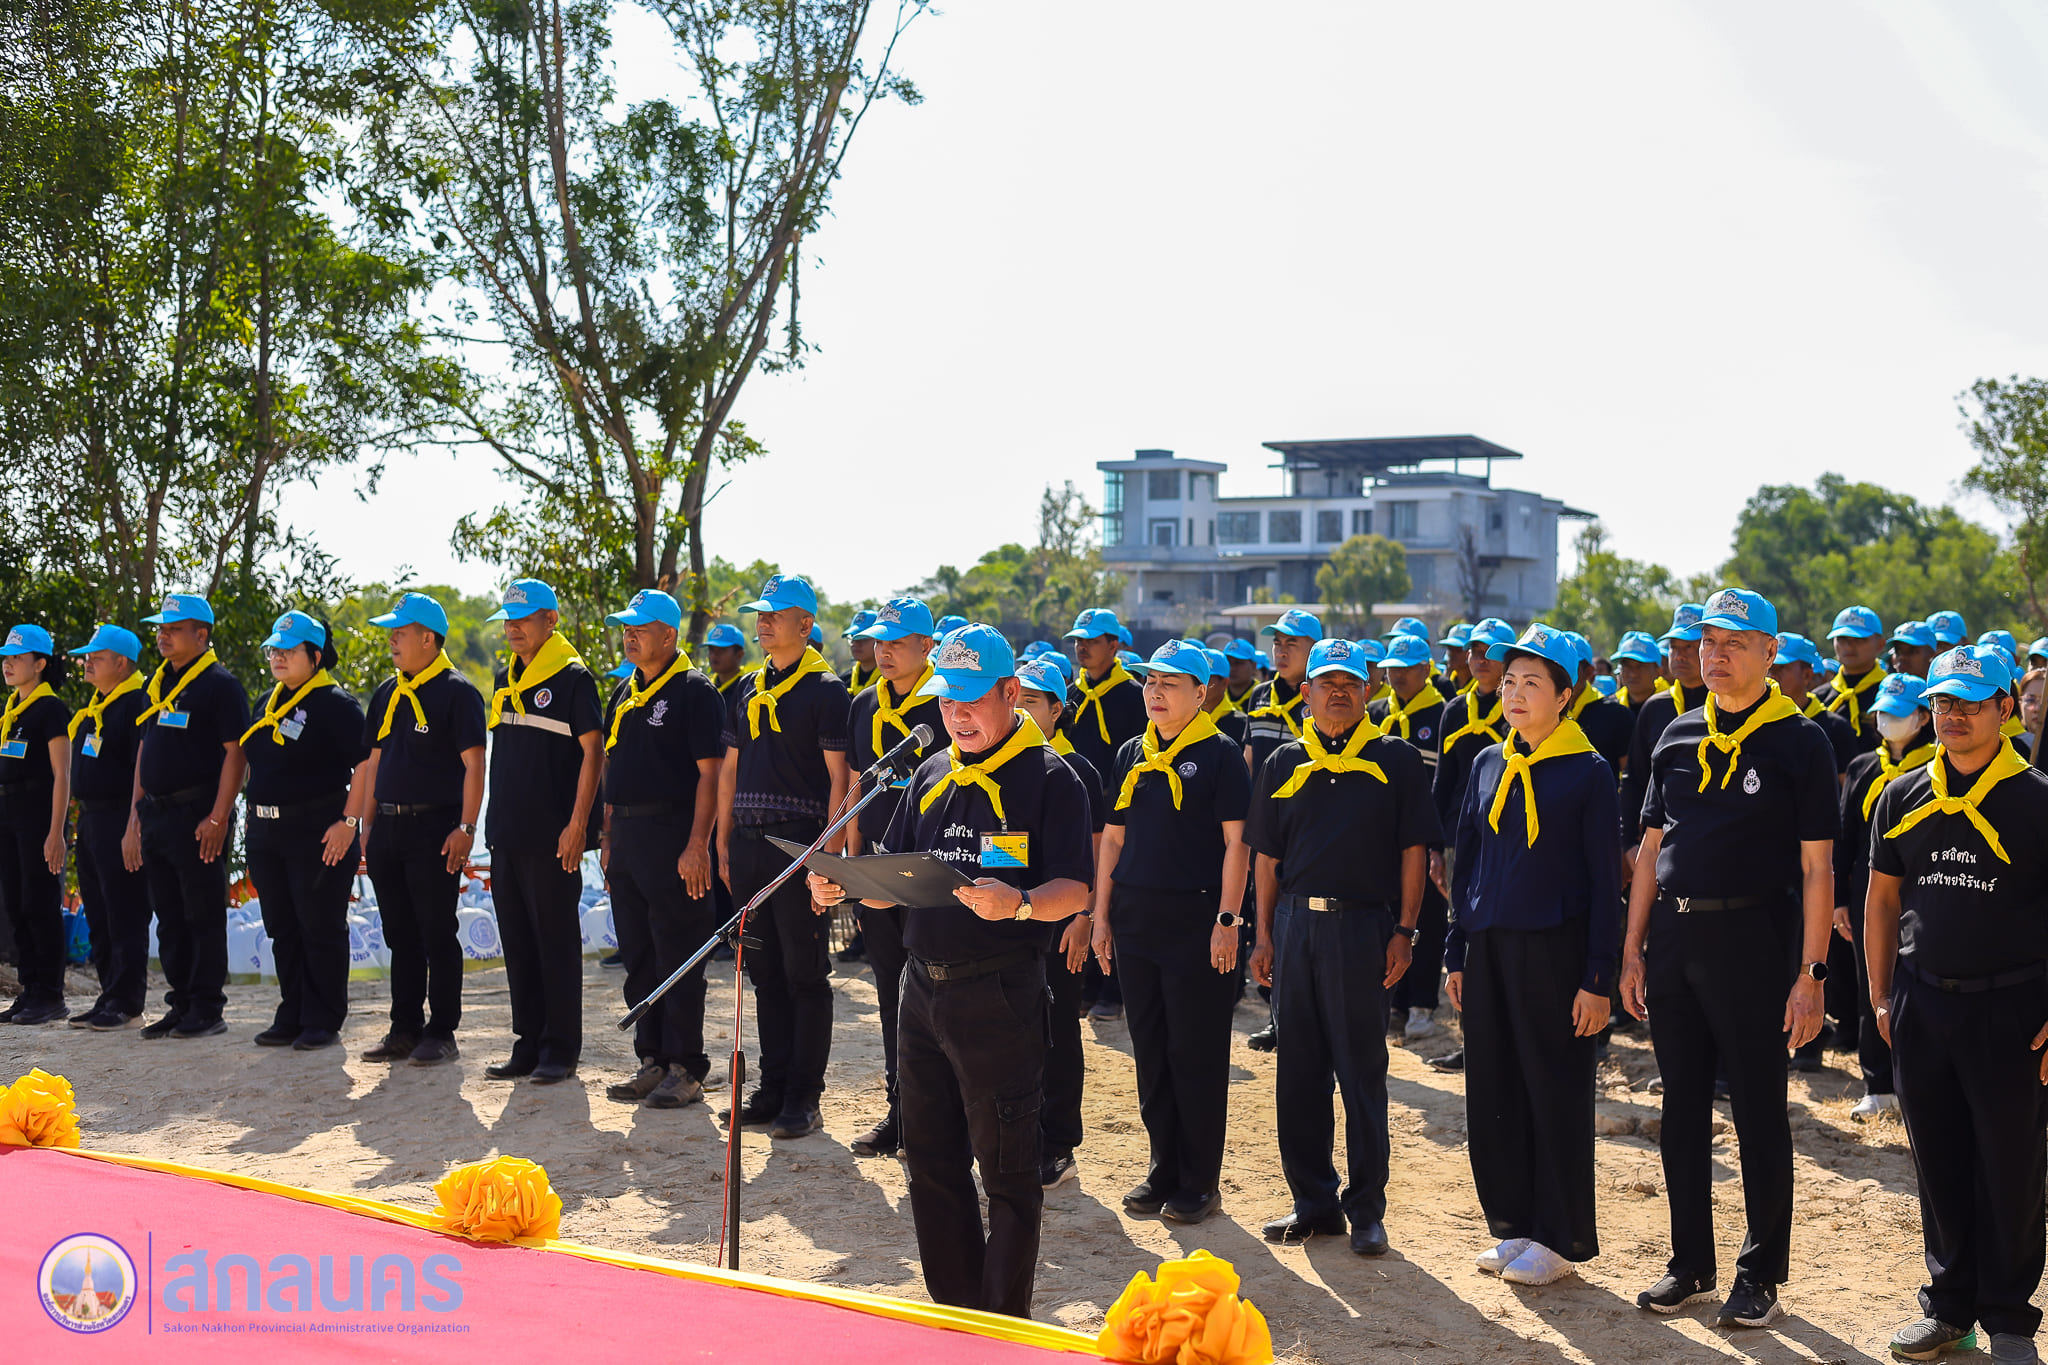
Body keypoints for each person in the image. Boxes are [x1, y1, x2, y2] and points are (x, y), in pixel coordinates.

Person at [806, 624, 1091, 1319]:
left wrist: (1021, 902)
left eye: (971, 699)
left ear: (1011, 691)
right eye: (946, 700)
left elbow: (1077, 889)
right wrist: (847, 883)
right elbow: (895, 877)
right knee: (930, 1158)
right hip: (921, 989)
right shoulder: (931, 772)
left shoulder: (1052, 778)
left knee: (1008, 1171)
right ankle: (957, 1307)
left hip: (999, 993)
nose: (956, 714)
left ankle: (1002, 1322)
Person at [1619, 588, 1837, 1328]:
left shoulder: (1800, 741)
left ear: (1770, 652)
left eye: (1734, 642)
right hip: (1675, 942)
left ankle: (1760, 1274)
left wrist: (1811, 973)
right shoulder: (1675, 734)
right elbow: (1651, 849)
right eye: (1708, 641)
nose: (1714, 654)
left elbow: (1817, 868)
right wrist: (1632, 948)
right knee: (1680, 1108)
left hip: (1754, 943)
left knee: (1757, 1111)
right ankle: (1690, 1263)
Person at [1863, 646, 2048, 1365]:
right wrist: (1882, 995)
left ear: (2005, 708)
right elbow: (1882, 900)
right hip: (1922, 1006)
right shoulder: (1901, 794)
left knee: (2010, 1167)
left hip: (2013, 1012)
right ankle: (1948, 1309)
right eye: (1943, 702)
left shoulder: (2036, 800)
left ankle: (2009, 1319)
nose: (1954, 715)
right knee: (1938, 1164)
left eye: (1971, 702)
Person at [1247, 637, 1441, 1256]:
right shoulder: (1282, 761)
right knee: (1298, 1072)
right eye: (1326, 683)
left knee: (1361, 1073)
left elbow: (1414, 852)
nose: (1338, 693)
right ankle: (1314, 1204)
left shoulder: (1397, 759)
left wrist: (1404, 931)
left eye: (1350, 683)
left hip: (1363, 929)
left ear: (1368, 691)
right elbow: (1266, 858)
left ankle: (1367, 1210)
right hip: (1295, 926)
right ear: (1305, 693)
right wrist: (1263, 934)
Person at [1448, 623, 1620, 1286]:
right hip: (1489, 947)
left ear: (1565, 695)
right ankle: (1514, 1222)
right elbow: (1467, 864)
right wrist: (1456, 949)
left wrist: (1598, 976)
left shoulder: (1588, 771)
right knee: (1494, 1088)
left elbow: (1605, 882)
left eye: (1532, 683)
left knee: (1554, 1090)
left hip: (1556, 952)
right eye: (1510, 681)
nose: (1515, 694)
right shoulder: (1488, 763)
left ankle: (1560, 1235)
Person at [1092, 640, 1251, 1225]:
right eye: (1150, 681)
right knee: (1152, 1050)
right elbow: (1113, 838)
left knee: (1196, 1052)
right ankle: (1163, 1166)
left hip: (1197, 922)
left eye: (1170, 683)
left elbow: (1238, 843)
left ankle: (1199, 1180)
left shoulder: (1221, 753)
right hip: (1137, 919)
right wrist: (1101, 915)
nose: (1155, 692)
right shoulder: (1132, 752)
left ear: (1201, 693)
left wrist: (1228, 920)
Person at [718, 573, 852, 1137]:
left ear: (806, 624)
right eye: (761, 614)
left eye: (776, 614)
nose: (764, 622)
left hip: (800, 847)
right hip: (747, 843)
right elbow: (729, 769)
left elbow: (840, 778)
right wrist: (721, 839)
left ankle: (804, 1095)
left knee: (805, 974)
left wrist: (827, 855)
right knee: (764, 974)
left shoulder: (826, 691)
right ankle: (771, 1089)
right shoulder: (747, 688)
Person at [598, 589, 725, 1110]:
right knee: (639, 955)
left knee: (678, 954)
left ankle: (686, 1066)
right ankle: (651, 1059)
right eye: (626, 628)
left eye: (640, 628)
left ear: (669, 635)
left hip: (674, 835)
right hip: (628, 838)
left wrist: (698, 845)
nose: (629, 636)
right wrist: (608, 837)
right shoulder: (624, 691)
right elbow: (611, 769)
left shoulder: (695, 691)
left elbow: (710, 775)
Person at [352, 592, 486, 1066]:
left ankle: (442, 1030)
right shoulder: (388, 692)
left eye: (401, 632)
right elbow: (374, 763)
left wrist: (467, 827)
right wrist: (365, 825)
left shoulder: (458, 692)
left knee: (436, 931)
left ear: (428, 638)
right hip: (387, 828)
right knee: (399, 933)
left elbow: (475, 765)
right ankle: (404, 1027)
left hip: (434, 827)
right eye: (391, 632)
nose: (392, 640)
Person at [482, 578, 604, 1084]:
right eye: (507, 620)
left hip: (553, 839)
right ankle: (528, 1043)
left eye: (523, 619)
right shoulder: (504, 677)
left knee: (554, 943)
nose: (512, 628)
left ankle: (560, 1048)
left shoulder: (574, 679)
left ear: (550, 620)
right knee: (518, 943)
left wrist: (578, 825)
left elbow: (593, 755)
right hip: (507, 834)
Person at [841, 596, 945, 1156]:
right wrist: (853, 864)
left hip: (931, 875)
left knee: (938, 998)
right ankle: (899, 1111)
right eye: (879, 641)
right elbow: (857, 782)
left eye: (897, 642)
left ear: (926, 646)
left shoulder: (948, 703)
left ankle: (938, 1117)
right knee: (891, 994)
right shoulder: (863, 703)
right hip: (877, 871)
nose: (883, 651)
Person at [238, 611, 368, 1051]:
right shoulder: (267, 702)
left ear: (315, 656)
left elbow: (365, 765)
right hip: (267, 833)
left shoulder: (336, 704)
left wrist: (349, 823)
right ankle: (292, 1012)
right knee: (282, 926)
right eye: (274, 650)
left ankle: (322, 1019)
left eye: (289, 651)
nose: (277, 657)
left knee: (320, 926)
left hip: (318, 832)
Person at [128, 594, 249, 1040]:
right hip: (156, 814)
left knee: (202, 913)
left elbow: (236, 754)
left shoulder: (220, 685)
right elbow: (145, 749)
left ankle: (207, 1006)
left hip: (197, 815)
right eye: (161, 628)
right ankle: (180, 1003)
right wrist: (135, 815)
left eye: (174, 629)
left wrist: (219, 816)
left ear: (201, 635)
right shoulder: (158, 682)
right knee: (169, 916)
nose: (163, 635)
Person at [1016, 656, 1103, 1188]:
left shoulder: (1078, 771)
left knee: (1059, 1031)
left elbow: (1094, 856)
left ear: (1057, 709)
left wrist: (1085, 916)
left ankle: (1059, 1143)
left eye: (1032, 701)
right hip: (1014, 920)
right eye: (1015, 698)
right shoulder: (1005, 763)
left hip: (1062, 921)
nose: (1021, 709)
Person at [1833, 671, 1931, 1122]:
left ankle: (1915, 1081)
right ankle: (1877, 1083)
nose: (1887, 721)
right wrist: (1839, 899)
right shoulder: (1861, 767)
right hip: (1866, 893)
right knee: (1870, 983)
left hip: (1921, 894)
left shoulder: (1938, 767)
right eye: (1883, 713)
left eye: (1899, 713)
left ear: (1923, 717)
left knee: (1916, 984)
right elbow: (1844, 838)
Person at [64, 625, 152, 1029]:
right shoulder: (97, 705)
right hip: (91, 820)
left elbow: (141, 768)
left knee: (124, 912)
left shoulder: (137, 702)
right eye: (87, 657)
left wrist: (134, 824)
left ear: (121, 663)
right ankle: (108, 995)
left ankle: (128, 1002)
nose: (87, 663)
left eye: (96, 657)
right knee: (98, 913)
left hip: (120, 817)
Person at [1369, 631, 1450, 1041]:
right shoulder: (1375, 712)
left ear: (1426, 669)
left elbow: (1446, 782)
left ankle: (1422, 1004)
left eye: (1405, 668)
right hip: (1382, 835)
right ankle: (1395, 1003)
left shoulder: (1442, 713)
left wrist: (1436, 842)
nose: (1396, 676)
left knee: (1427, 920)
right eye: (1391, 669)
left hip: (1424, 834)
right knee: (1388, 917)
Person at [0, 625, 73, 1024]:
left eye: (17, 657)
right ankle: (29, 990)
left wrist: (56, 832)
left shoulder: (50, 709)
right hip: (8, 816)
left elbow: (62, 774)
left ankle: (50, 994)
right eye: (5, 658)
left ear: (40, 664)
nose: (8, 664)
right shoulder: (12, 710)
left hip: (38, 817)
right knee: (15, 904)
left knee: (40, 903)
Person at [1619, 603, 1707, 867]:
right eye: (1674, 647)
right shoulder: (1656, 707)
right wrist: (1628, 844)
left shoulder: (1727, 705)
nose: (1679, 655)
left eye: (1689, 647)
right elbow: (1634, 778)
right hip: (1658, 846)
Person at [1770, 634, 1860, 776]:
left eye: (1781, 668)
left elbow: (1846, 785)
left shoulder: (1835, 729)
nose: (1772, 675)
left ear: (1807, 675)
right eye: (1770, 667)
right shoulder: (1755, 720)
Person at [1818, 605, 1887, 754]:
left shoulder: (1890, 695)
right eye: (1842, 639)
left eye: (1859, 639)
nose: (1849, 646)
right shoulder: (1819, 697)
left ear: (1880, 644)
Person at [1201, 647, 1249, 748]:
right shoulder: (1182, 719)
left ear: (1224, 683)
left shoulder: (1242, 725)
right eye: (1195, 679)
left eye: (1206, 679)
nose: (1199, 686)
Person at [1610, 631, 1664, 715]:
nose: (1633, 674)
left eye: (1641, 666)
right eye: (1627, 666)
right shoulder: (1611, 708)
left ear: (1659, 671)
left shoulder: (1675, 704)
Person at [704, 623, 751, 695]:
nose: (714, 655)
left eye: (721, 650)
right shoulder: (705, 687)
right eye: (711, 649)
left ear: (739, 654)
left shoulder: (748, 689)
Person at [842, 609, 880, 692]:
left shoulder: (891, 682)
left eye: (863, 637)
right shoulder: (843, 681)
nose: (855, 643)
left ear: (879, 640)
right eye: (852, 637)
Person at [1222, 638, 1260, 707]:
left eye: (1238, 663)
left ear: (1253, 666)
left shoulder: (1264, 696)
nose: (1232, 668)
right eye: (1228, 663)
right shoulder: (1216, 696)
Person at [1439, 622, 1474, 693]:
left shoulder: (1481, 687)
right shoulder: (1446, 683)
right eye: (1450, 648)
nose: (1452, 654)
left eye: (1458, 649)